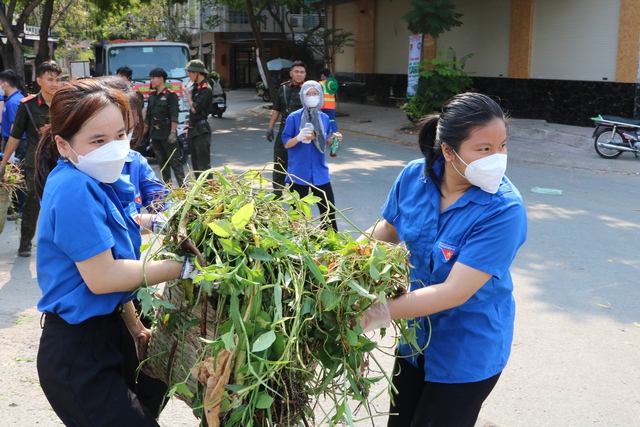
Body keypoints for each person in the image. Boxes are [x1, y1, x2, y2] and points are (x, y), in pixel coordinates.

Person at [33, 78, 199, 426]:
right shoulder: (74, 187)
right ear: (63, 145)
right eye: (98, 140)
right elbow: (103, 277)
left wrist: (134, 324)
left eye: (121, 135)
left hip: (115, 332)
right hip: (79, 351)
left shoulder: (100, 180)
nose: (115, 147)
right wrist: (183, 267)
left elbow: (119, 245)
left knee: (154, 394)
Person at [359, 92, 528, 427]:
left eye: (502, 146)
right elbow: (388, 229)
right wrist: (339, 265)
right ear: (449, 151)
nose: (498, 158)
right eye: (484, 149)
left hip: (466, 352)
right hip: (416, 340)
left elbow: (454, 292)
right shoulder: (414, 177)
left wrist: (371, 313)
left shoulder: (505, 210)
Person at [0, 61, 61, 257]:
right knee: (33, 202)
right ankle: (25, 243)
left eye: (58, 80)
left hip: (62, 161)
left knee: (62, 201)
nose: (54, 84)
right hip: (35, 161)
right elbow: (15, 136)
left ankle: (61, 243)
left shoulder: (65, 103)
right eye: (50, 79)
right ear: (39, 80)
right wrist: (3, 163)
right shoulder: (27, 105)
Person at [100, 75, 168, 213]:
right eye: (120, 132)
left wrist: (174, 215)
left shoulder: (135, 162)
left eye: (128, 131)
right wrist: (148, 222)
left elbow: (159, 200)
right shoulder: (78, 172)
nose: (124, 139)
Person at [281, 81, 342, 231]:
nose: (311, 97)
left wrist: (333, 140)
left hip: (320, 173)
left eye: (315, 93)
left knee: (328, 212)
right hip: (299, 174)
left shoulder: (324, 118)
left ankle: (330, 245)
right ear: (302, 96)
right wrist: (299, 137)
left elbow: (324, 141)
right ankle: (297, 245)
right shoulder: (294, 118)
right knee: (297, 216)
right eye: (308, 94)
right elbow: (286, 143)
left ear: (320, 96)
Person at [266, 60, 306, 198]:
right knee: (280, 159)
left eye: (302, 72)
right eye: (296, 72)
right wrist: (270, 128)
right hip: (285, 128)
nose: (299, 74)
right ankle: (277, 192)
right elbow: (276, 109)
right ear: (291, 73)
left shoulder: (308, 91)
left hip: (302, 130)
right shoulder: (283, 89)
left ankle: (298, 193)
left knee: (299, 161)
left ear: (305, 74)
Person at [143, 68, 184, 186]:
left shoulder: (171, 95)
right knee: (162, 163)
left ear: (161, 79)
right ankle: (168, 187)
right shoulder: (152, 97)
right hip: (156, 135)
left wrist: (173, 132)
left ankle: (184, 187)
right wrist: (144, 134)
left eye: (153, 78)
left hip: (167, 134)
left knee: (175, 162)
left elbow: (174, 115)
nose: (151, 81)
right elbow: (149, 117)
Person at [0, 69, 28, 220]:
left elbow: (14, 128)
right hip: (14, 142)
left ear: (4, 84)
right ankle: (15, 207)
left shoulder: (13, 102)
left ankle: (19, 209)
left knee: (18, 176)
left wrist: (9, 150)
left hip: (16, 143)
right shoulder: (14, 99)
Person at [184, 59, 213, 177]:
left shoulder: (206, 89)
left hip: (202, 130)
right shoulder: (198, 87)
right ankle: (199, 192)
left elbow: (195, 109)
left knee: (203, 165)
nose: (188, 75)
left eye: (190, 72)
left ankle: (209, 192)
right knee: (195, 165)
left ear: (197, 73)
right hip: (194, 130)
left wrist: (187, 94)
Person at [318, 68, 338, 134]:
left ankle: (324, 136)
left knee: (322, 121)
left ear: (323, 75)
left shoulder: (320, 84)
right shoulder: (332, 83)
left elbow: (319, 95)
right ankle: (335, 135)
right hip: (331, 106)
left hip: (323, 106)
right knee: (332, 120)